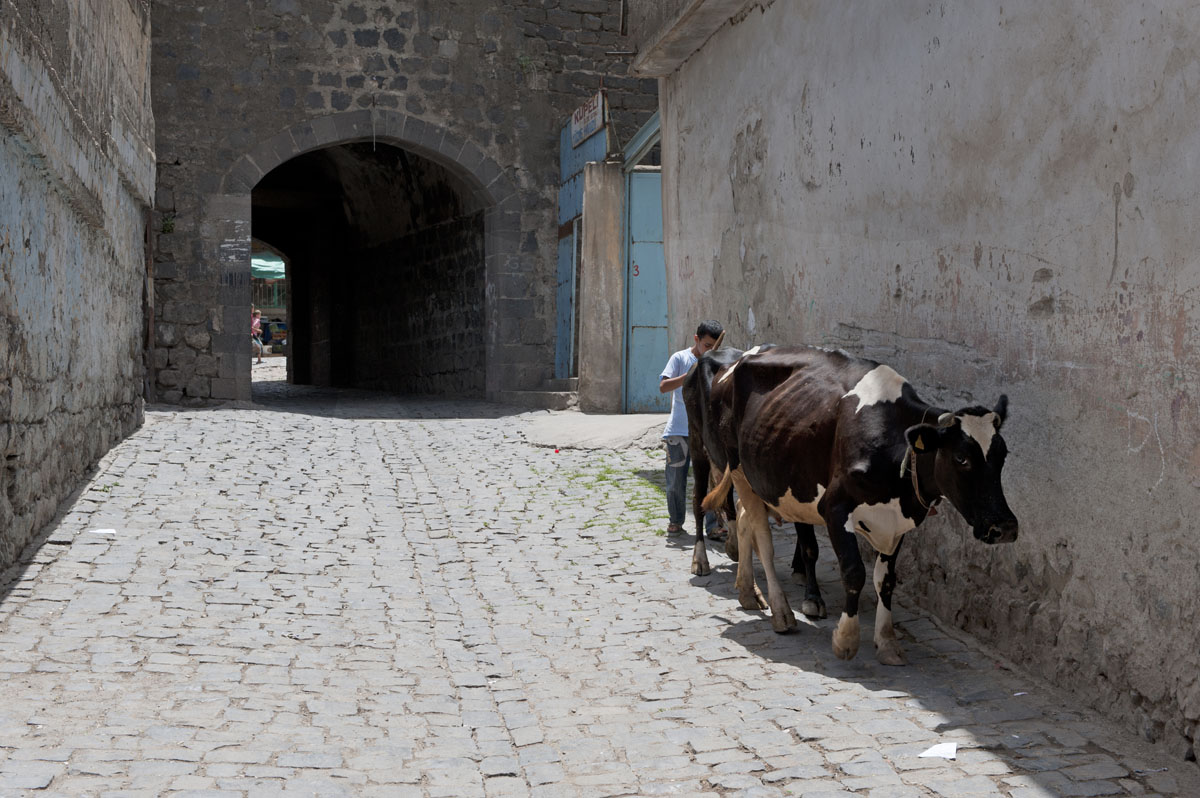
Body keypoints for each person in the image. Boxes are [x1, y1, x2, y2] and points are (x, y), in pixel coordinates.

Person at [659, 319, 724, 538]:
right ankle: (676, 520)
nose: (710, 350)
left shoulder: (716, 362)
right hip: (679, 431)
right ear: (696, 339)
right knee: (675, 481)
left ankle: (712, 525)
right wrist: (688, 376)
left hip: (706, 433)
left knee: (710, 480)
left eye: (715, 346)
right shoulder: (680, 358)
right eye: (707, 345)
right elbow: (663, 386)